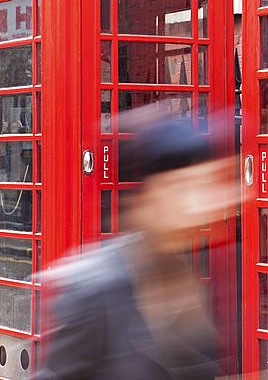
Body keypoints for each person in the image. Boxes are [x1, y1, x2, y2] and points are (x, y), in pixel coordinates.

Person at [35, 111, 237, 380]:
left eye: (204, 185)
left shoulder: (197, 275)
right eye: (180, 188)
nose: (196, 203)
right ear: (144, 199)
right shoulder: (92, 291)